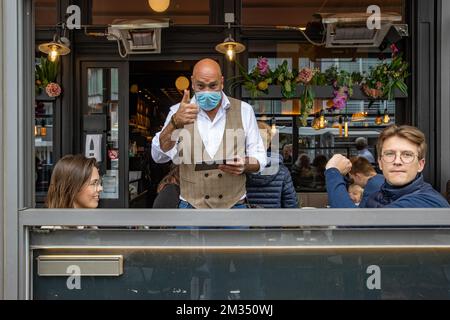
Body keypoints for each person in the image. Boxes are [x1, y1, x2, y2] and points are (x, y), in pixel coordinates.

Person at [151, 58, 267, 209]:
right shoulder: (177, 112)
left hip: (234, 207)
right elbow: (158, 156)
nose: (207, 92)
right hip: (191, 206)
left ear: (222, 82)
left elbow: (260, 157)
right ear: (192, 83)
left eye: (213, 86)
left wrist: (245, 165)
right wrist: (174, 124)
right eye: (200, 86)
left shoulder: (244, 110)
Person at [325, 125, 450, 208]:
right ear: (380, 162)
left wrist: (333, 171)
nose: (397, 161)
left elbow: (353, 228)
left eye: (407, 155)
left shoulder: (426, 201)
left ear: (420, 165)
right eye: (390, 154)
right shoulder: (377, 195)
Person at [246, 122, 298, 208]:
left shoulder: (237, 169)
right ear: (268, 144)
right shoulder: (282, 171)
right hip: (274, 220)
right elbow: (291, 205)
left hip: (243, 220)